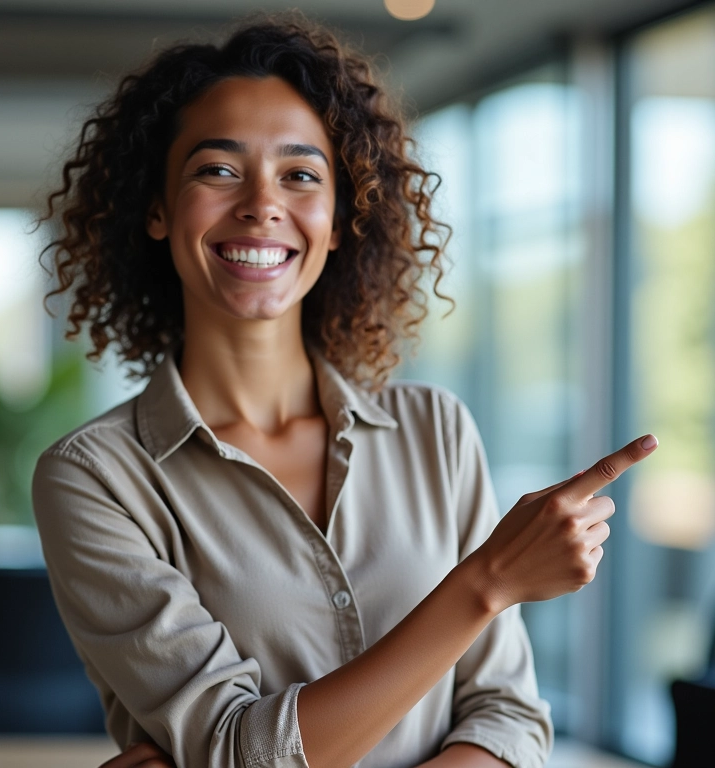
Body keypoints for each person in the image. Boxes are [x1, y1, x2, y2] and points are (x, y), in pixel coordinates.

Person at [32, 14, 657, 768]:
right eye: (217, 170)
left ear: (336, 222)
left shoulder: (435, 430)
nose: (262, 203)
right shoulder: (96, 477)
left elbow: (507, 717)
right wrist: (486, 583)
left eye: (300, 175)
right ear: (158, 209)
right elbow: (233, 748)